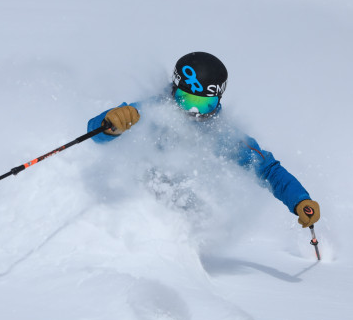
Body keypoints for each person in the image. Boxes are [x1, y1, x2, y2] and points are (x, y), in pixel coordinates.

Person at [87, 51, 320, 228]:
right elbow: (95, 131)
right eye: (187, 101)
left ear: (218, 100)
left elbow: (268, 170)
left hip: (179, 219)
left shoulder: (225, 134)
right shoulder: (152, 110)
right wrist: (110, 125)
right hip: (131, 208)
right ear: (173, 90)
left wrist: (299, 200)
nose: (194, 113)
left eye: (204, 104)